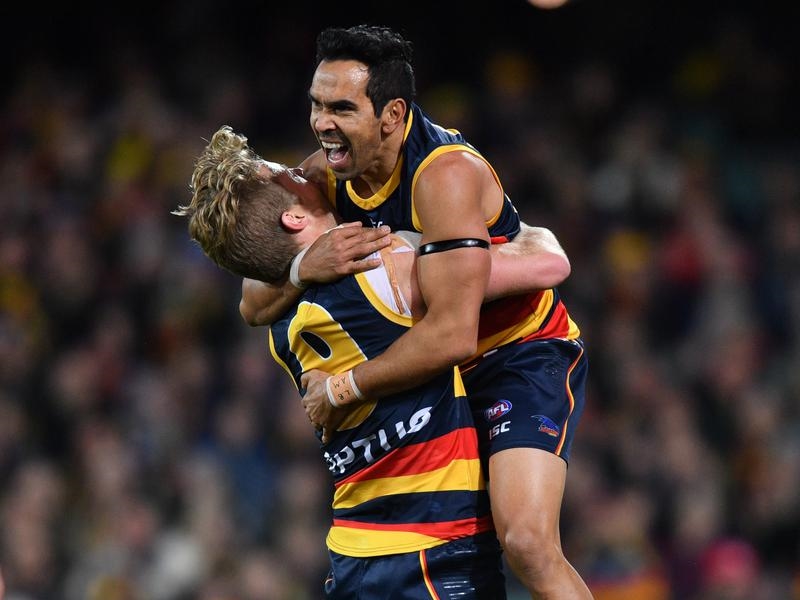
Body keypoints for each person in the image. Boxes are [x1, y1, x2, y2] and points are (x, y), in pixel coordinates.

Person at [239, 25, 592, 598]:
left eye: (341, 108)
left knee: (526, 541)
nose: (322, 123)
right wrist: (304, 267)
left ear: (392, 115)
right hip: (437, 370)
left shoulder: (443, 176)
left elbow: (453, 334)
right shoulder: (329, 172)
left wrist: (342, 388)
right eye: (317, 104)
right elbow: (252, 302)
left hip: (514, 355)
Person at [175, 125, 565, 597]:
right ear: (294, 218)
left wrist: (298, 269)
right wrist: (528, 232)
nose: (304, 170)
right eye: (289, 175)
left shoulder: (278, 324)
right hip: (433, 540)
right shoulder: (390, 261)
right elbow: (549, 265)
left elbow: (250, 301)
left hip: (353, 547)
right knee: (531, 547)